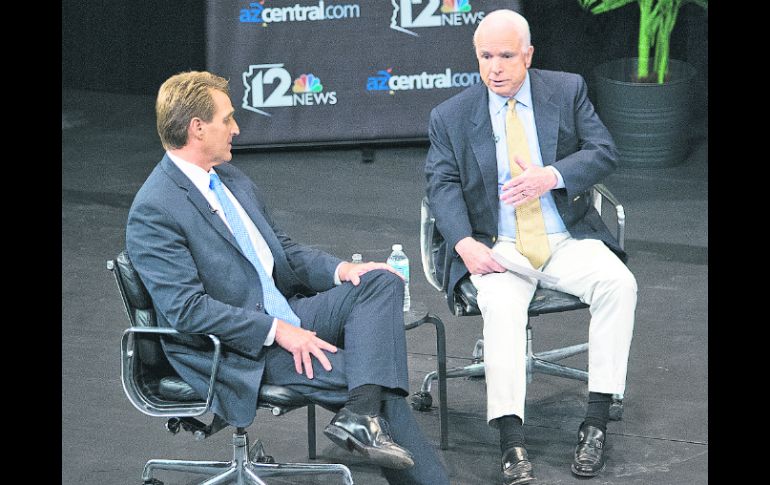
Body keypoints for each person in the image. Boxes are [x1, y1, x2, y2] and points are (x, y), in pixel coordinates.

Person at [126, 70, 449, 485]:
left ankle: (360, 417)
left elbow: (282, 251)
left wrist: (342, 270)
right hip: (236, 348)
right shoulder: (155, 209)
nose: (236, 129)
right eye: (227, 119)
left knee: (380, 281)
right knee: (373, 378)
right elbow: (187, 311)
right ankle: (369, 417)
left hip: (284, 311)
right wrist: (277, 330)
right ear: (197, 128)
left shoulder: (228, 179)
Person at [424, 9, 637, 484]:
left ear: (528, 55)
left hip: (565, 236)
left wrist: (551, 176)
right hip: (498, 244)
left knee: (619, 285)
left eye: (505, 56)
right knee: (500, 306)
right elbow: (441, 185)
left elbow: (603, 151)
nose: (494, 67)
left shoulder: (565, 89)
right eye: (485, 56)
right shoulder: (451, 115)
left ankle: (596, 423)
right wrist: (462, 243)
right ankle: (511, 441)